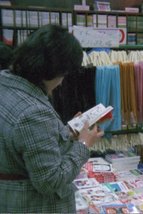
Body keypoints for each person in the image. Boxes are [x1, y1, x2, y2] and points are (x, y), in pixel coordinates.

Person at [0, 24, 104, 213]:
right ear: (52, 70)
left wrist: (64, 132)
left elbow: (26, 144)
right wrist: (83, 145)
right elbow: (50, 180)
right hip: (33, 205)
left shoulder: (6, 83)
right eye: (63, 74)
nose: (62, 81)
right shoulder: (33, 112)